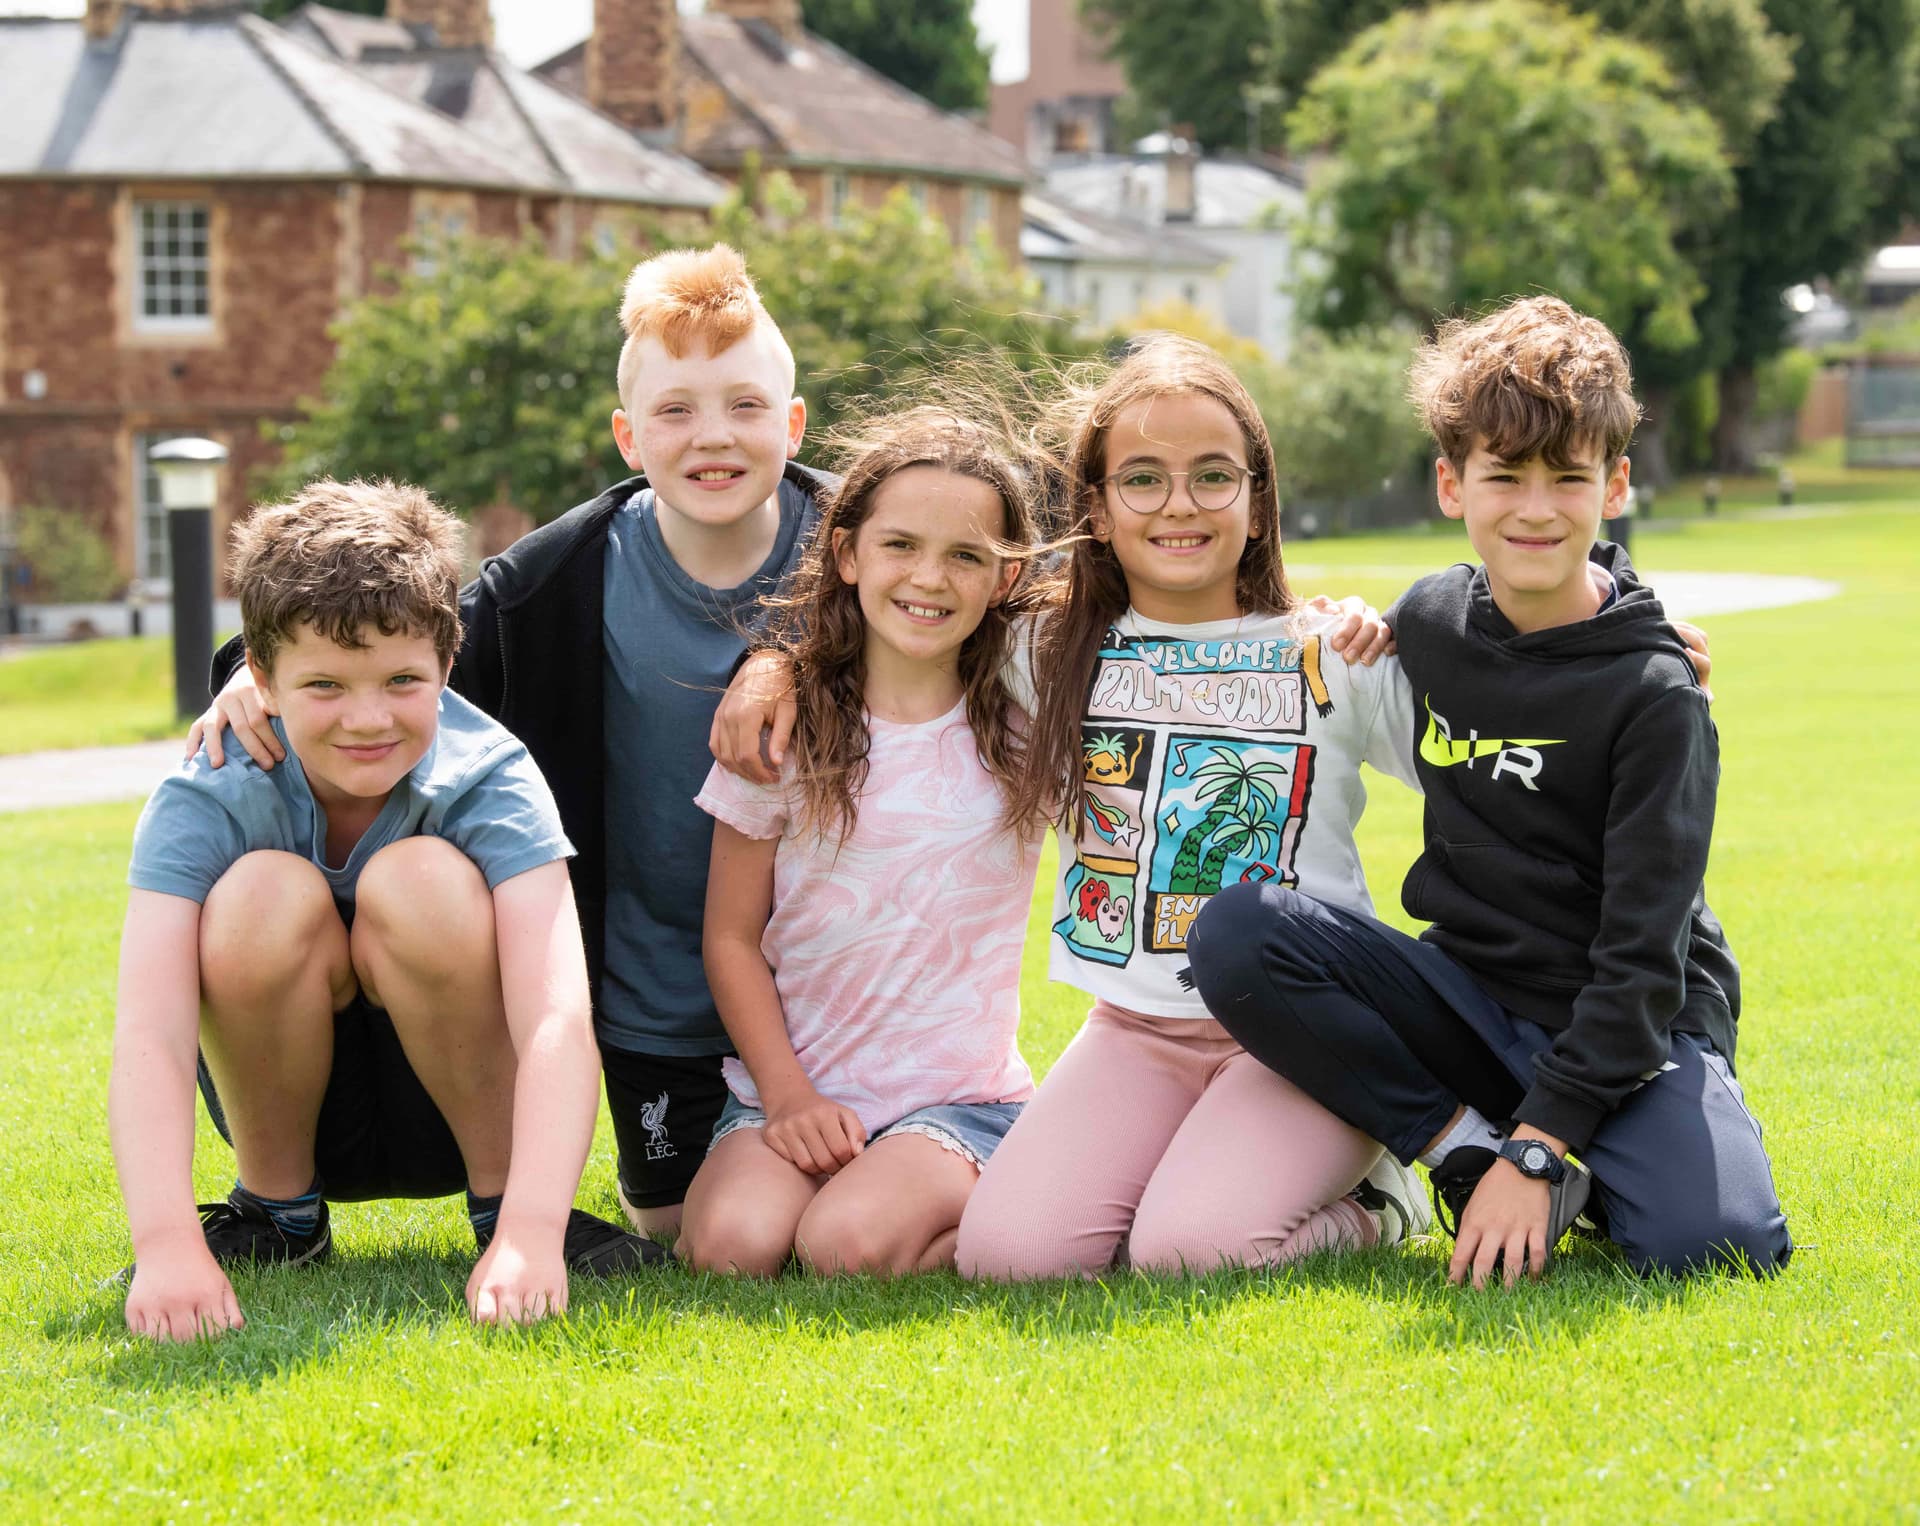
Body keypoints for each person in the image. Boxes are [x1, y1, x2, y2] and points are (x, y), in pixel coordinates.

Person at [188, 245, 830, 1238]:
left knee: (830, 1227)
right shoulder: (554, 583)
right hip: (653, 1002)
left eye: (746, 405)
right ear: (627, 435)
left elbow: (990, 581)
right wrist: (246, 669)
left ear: (793, 423)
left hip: (842, 986)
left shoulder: (867, 544)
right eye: (675, 410)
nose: (714, 435)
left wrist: (797, 643)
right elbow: (387, 634)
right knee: (694, 1239)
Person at [1187, 297, 1791, 1286]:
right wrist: (1351, 619)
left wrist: (1545, 1139)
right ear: (1449, 483)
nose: (1536, 507)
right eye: (1503, 475)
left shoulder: (1655, 693)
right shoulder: (1430, 618)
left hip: (1625, 1021)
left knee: (1715, 1246)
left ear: (1617, 484)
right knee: (1240, 933)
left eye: (1569, 477)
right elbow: (1366, 629)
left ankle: (1588, 1146)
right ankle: (1459, 1148)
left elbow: (1644, 958)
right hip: (1469, 1000)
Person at [115, 480, 658, 1344]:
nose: (367, 719)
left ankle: (495, 1206)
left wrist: (532, 1229)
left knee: (421, 880)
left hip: (461, 1104)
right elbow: (149, 1030)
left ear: (448, 664)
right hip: (290, 1103)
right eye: (324, 684)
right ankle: (280, 1220)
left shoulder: (491, 775)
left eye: (402, 679)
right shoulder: (212, 785)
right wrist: (167, 1241)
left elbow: (556, 1014)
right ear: (260, 678)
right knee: (261, 893)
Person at [944, 336, 1434, 1279]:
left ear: (1257, 502)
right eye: (1143, 479)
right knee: (1011, 1258)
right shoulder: (1042, 650)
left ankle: (1382, 1202)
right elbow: (892, 607)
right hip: (1134, 1031)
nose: (1180, 504)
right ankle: (1209, 1165)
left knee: (1189, 1251)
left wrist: (1633, 647)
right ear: (1095, 506)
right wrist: (769, 673)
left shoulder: (1333, 651)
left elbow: (1498, 752)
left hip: (1311, 1029)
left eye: (1215, 476)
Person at [677, 406, 1047, 1277]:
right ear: (847, 555)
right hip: (794, 1089)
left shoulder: (1030, 728)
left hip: (958, 1103)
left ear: (1004, 579)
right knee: (732, 1248)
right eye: (901, 546)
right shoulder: (782, 727)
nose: (930, 576)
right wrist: (789, 1097)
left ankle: (1031, 1217)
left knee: (842, 1246)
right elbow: (730, 937)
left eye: (967, 556)